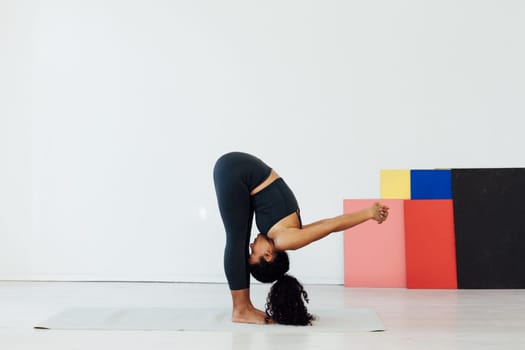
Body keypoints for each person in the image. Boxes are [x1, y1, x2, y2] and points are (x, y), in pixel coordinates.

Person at [213, 152, 389, 325]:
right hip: (236, 170)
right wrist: (368, 213)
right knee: (237, 239)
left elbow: (328, 224)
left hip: (238, 170)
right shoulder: (285, 239)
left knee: (238, 238)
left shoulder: (285, 234)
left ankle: (242, 308)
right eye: (252, 252)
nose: (251, 244)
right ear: (267, 255)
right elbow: (330, 225)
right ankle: (241, 309)